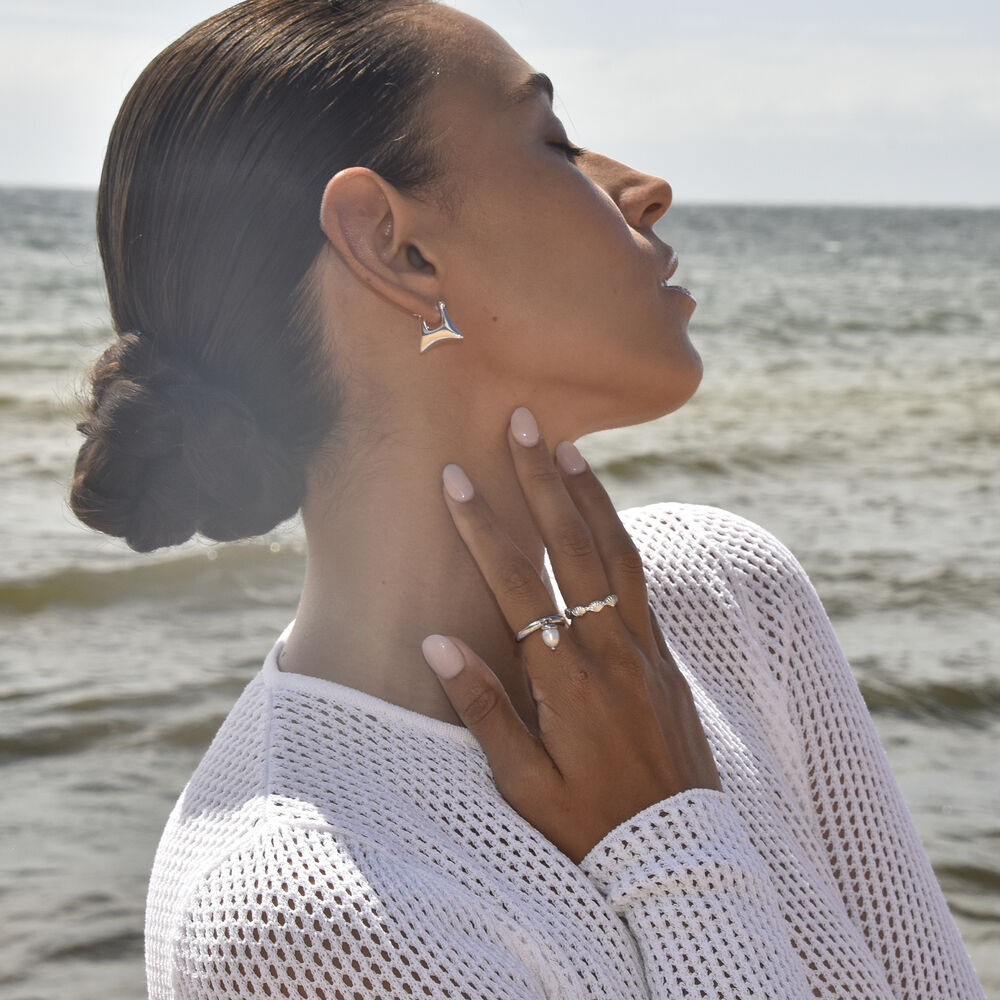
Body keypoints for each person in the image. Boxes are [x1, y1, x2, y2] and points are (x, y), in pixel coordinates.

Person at [70, 0, 985, 997]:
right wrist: (669, 838)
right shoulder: (301, 917)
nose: (647, 188)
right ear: (396, 247)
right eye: (554, 141)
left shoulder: (720, 591)